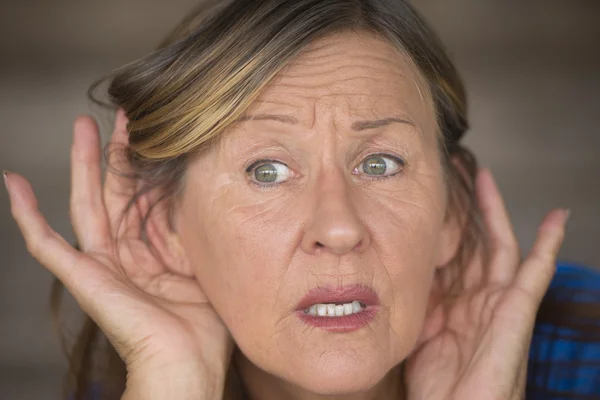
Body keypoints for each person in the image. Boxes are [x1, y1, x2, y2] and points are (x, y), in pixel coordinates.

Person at [3, 0, 598, 399]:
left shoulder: (584, 348)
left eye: (380, 164)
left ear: (452, 213)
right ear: (167, 229)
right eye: (267, 170)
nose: (338, 228)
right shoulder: (149, 379)